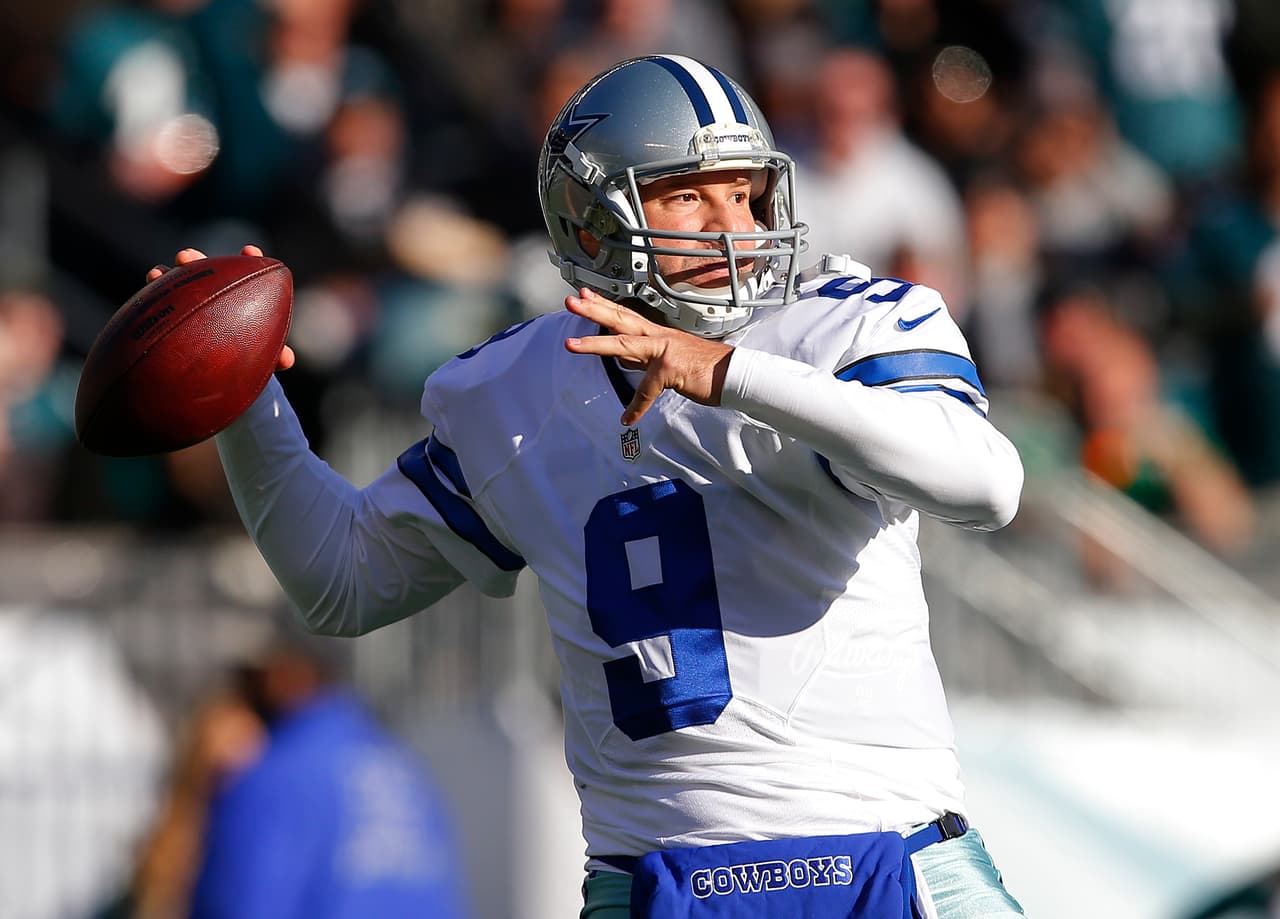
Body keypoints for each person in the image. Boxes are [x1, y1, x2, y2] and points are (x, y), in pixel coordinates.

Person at [151, 54, 1026, 918]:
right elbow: (341, 579)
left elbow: (984, 484)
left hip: (891, 858)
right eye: (688, 193)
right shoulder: (520, 391)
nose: (733, 225)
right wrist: (242, 397)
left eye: (746, 192)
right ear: (593, 222)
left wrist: (727, 374)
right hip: (656, 880)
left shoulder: (847, 323)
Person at [186, 632, 470, 919]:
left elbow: (242, 904)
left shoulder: (275, 773)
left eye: (251, 678)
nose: (240, 693)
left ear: (287, 673)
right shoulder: (400, 767)